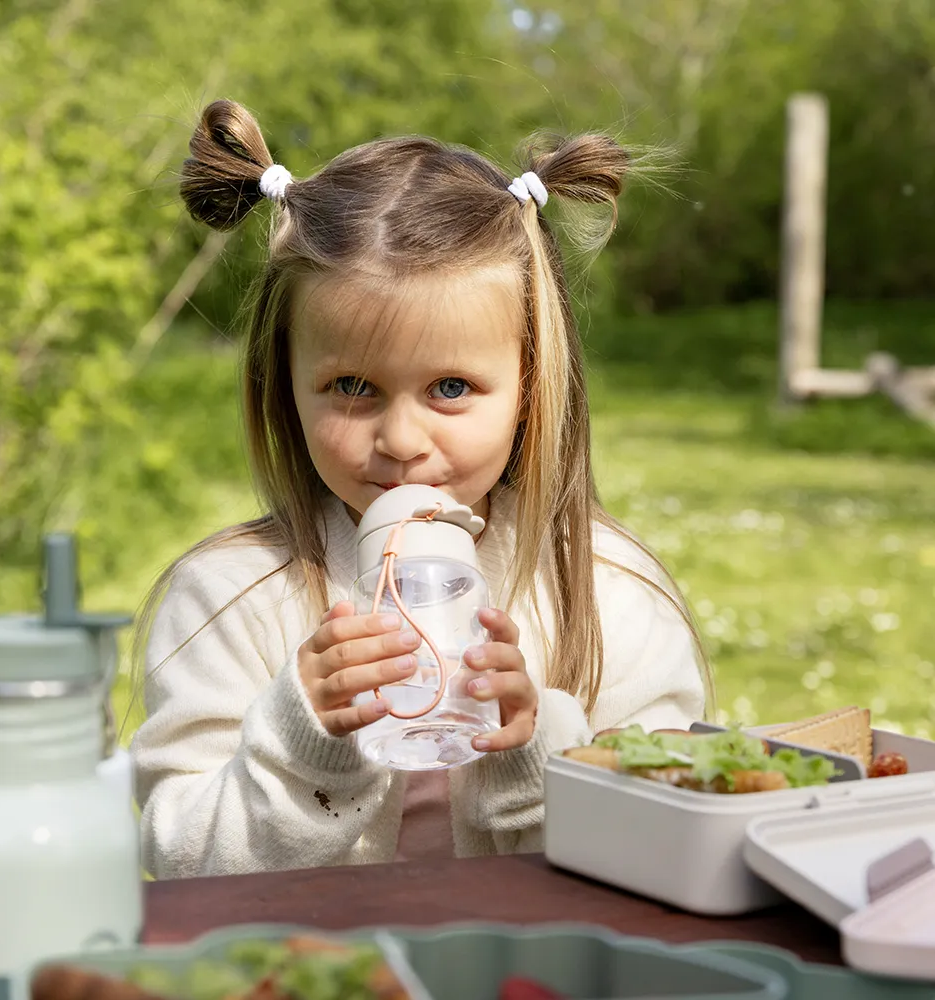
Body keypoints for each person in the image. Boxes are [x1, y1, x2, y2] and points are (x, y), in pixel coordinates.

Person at [131, 99, 711, 879]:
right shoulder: (230, 599)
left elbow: (676, 844)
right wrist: (305, 742)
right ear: (284, 386)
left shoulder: (607, 592)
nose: (401, 441)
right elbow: (178, 861)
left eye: (449, 386)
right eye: (351, 386)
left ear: (531, 388)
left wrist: (539, 749)